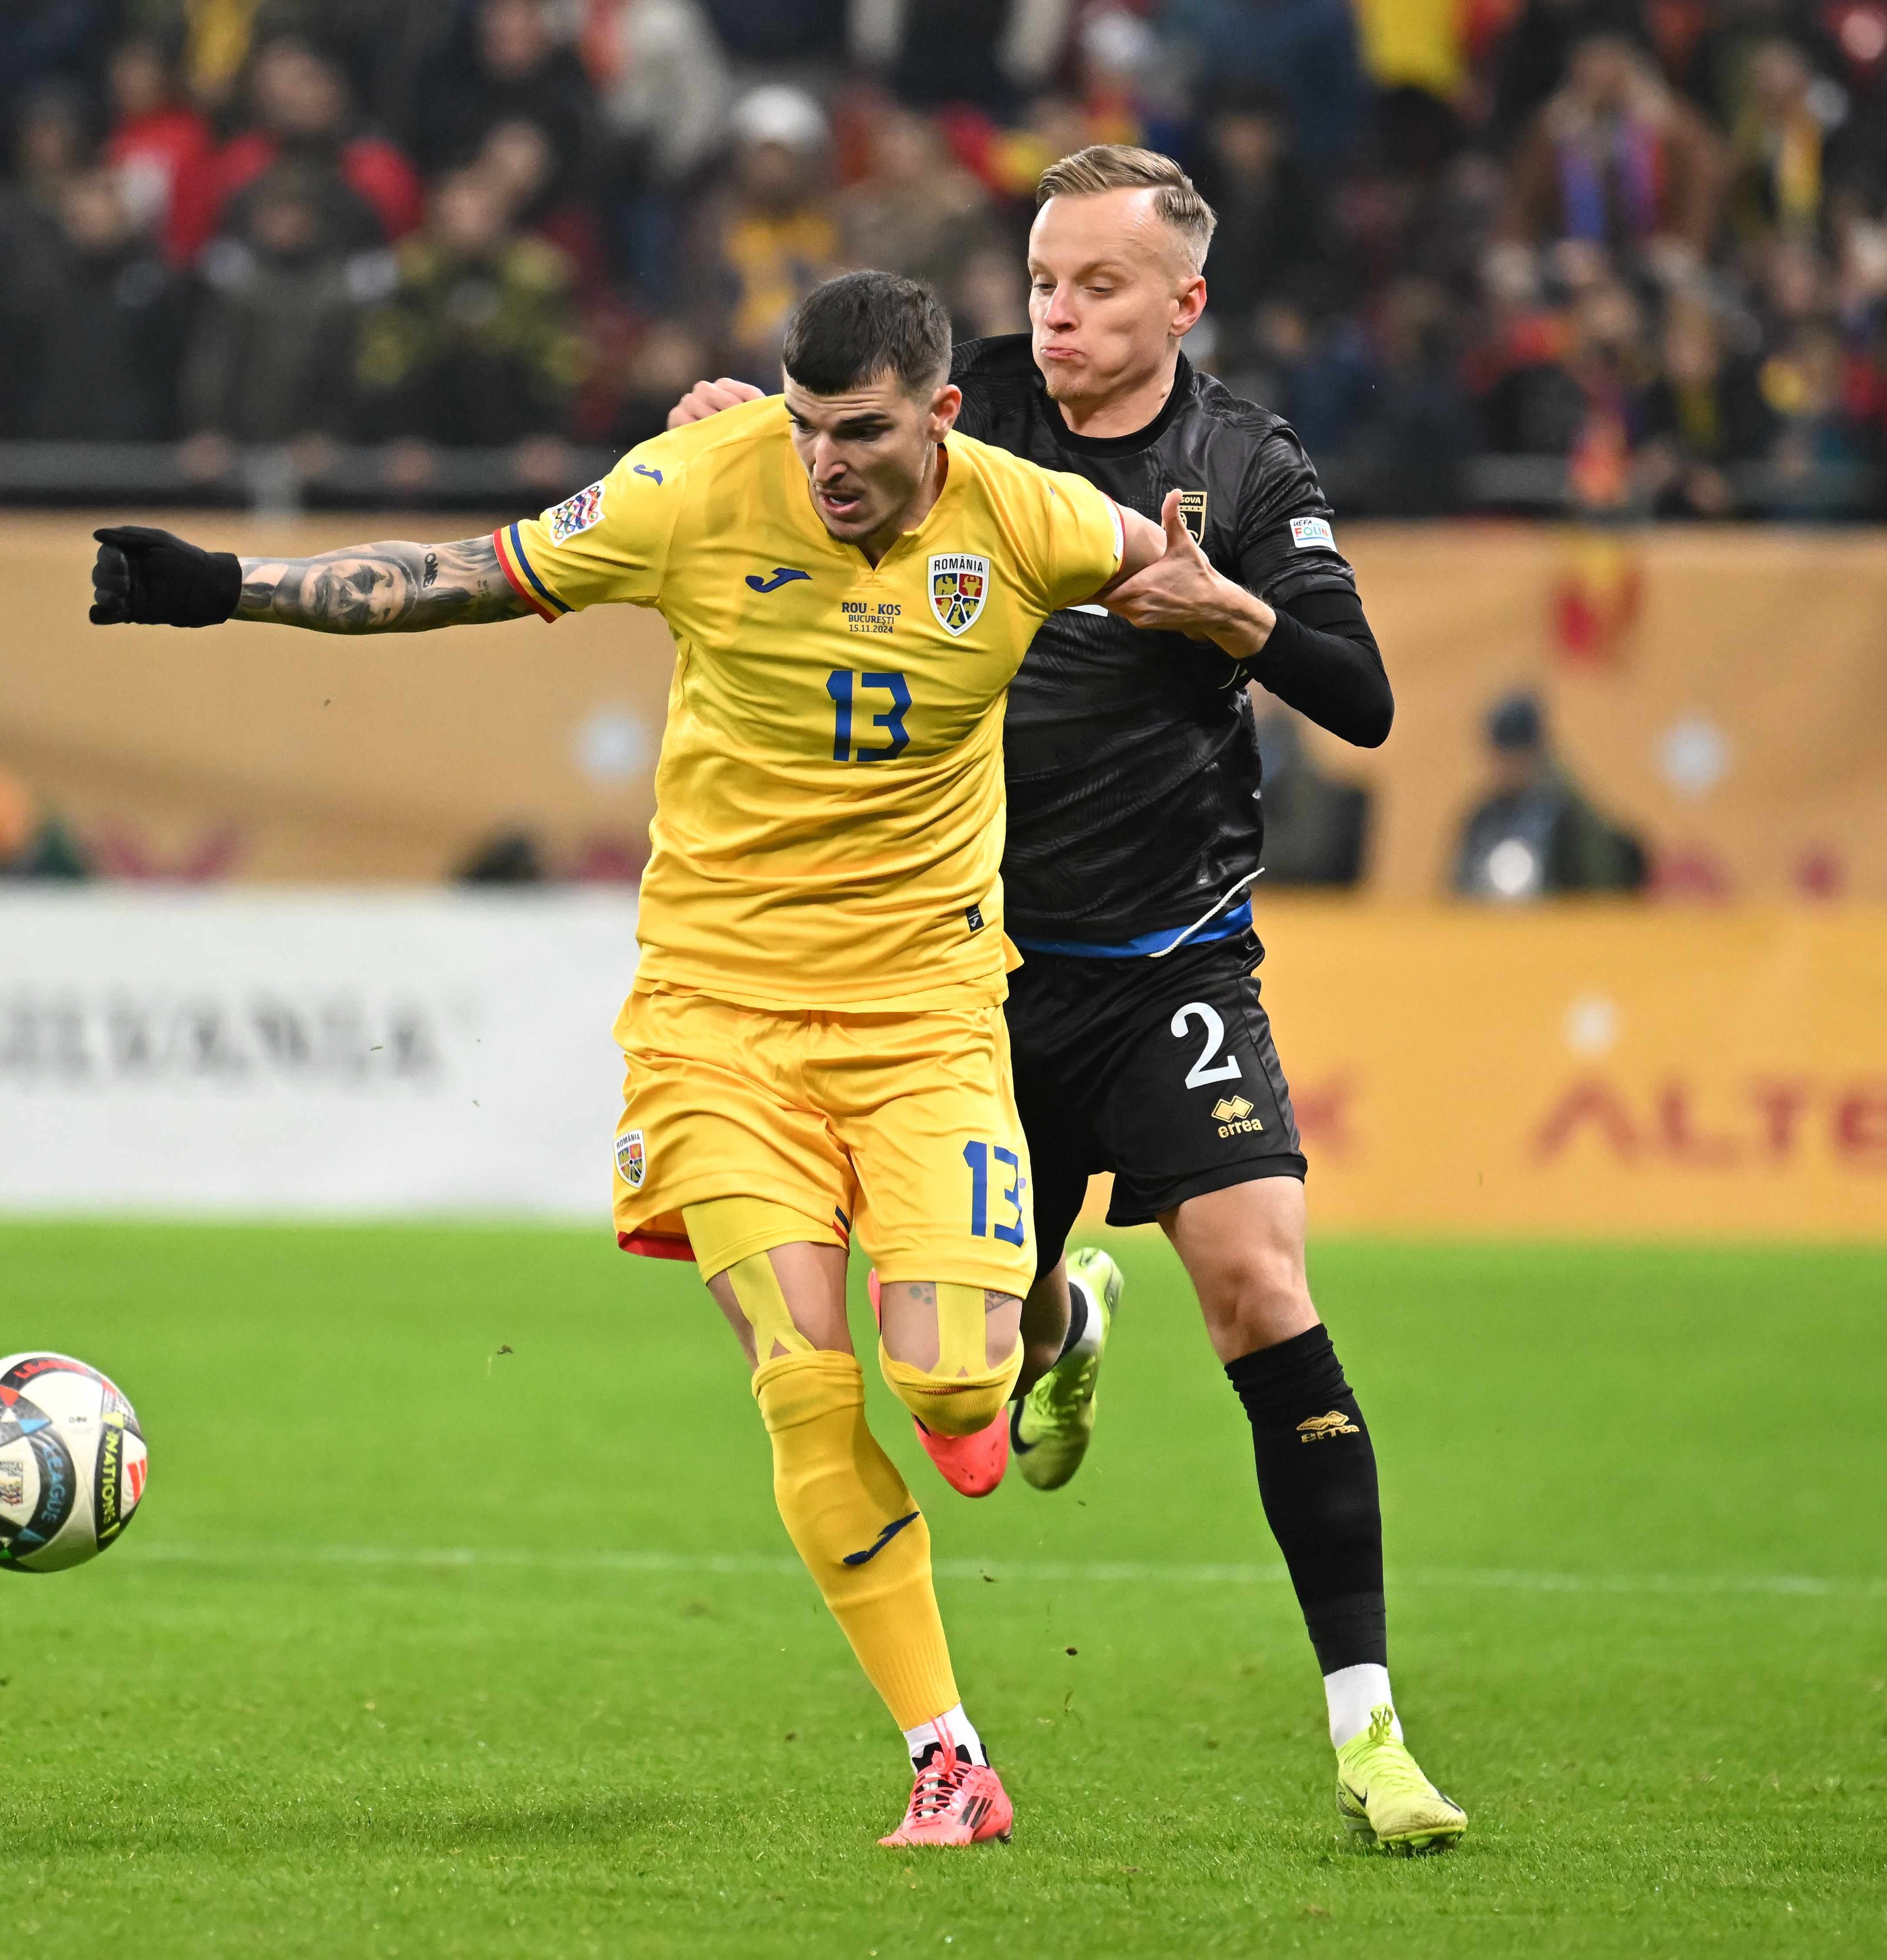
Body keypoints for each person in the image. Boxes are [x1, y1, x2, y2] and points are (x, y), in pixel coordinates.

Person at [90, 269, 1171, 1849]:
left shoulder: (1029, 518)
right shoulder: (693, 487)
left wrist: (1271, 631)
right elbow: (468, 571)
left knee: (956, 1399)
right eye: (802, 427)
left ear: (942, 415)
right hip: (716, 1023)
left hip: (927, 1016)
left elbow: (1181, 583)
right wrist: (227, 586)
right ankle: (950, 1758)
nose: (823, 463)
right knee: (807, 1387)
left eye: (859, 432)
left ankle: (1060, 1311)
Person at [668, 144, 1466, 1853]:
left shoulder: (1243, 463)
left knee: (1258, 1289)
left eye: (1097, 286)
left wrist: (1221, 606)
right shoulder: (960, 424)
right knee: (953, 1393)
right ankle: (1053, 1325)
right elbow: (810, 478)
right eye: (1041, 281)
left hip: (1172, 958)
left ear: (1183, 300)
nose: (1059, 313)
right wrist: (757, 431)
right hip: (956, 988)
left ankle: (1367, 1729)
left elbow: (1363, 698)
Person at [1451, 691, 1648, 898]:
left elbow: (1608, 870)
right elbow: (1459, 886)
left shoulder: (1563, 814)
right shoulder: (1484, 818)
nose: (1507, 767)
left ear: (1535, 755)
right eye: (1501, 756)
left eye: (1517, 755)